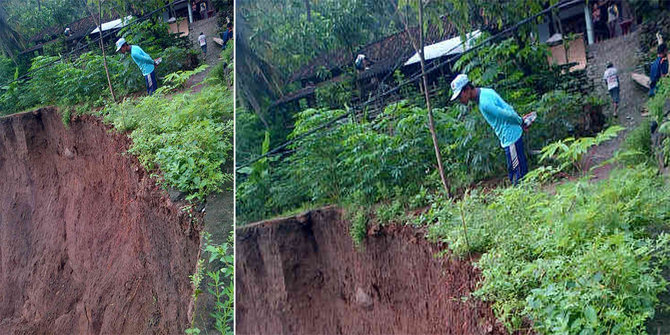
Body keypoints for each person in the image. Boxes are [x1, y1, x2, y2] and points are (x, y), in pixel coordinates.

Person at [450, 74, 529, 184]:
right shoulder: (486, 92)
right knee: (518, 171)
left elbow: (506, 114)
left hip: (511, 137)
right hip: (510, 136)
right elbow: (507, 108)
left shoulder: (485, 103)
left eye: (460, 96)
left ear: (467, 89)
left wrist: (520, 122)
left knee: (518, 176)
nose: (460, 100)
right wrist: (520, 121)